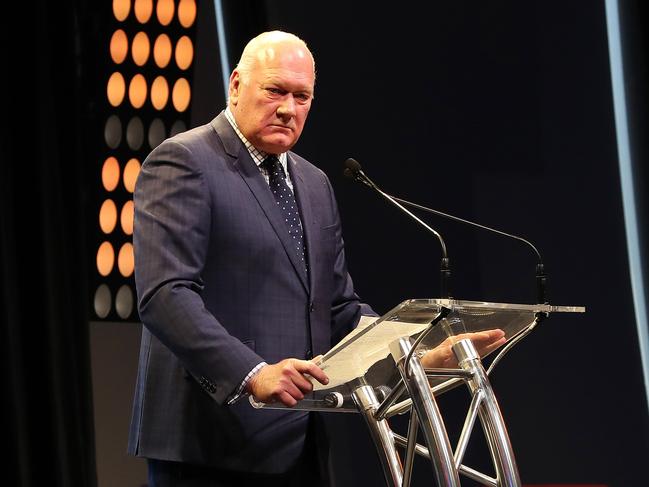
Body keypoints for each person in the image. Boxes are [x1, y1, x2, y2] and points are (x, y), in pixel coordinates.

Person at [128, 30, 506, 486]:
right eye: (275, 90)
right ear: (235, 84)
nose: (288, 108)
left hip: (298, 442)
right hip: (209, 443)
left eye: (301, 96)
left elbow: (339, 308)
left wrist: (415, 356)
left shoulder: (313, 183)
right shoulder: (184, 161)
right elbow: (165, 296)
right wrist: (251, 373)